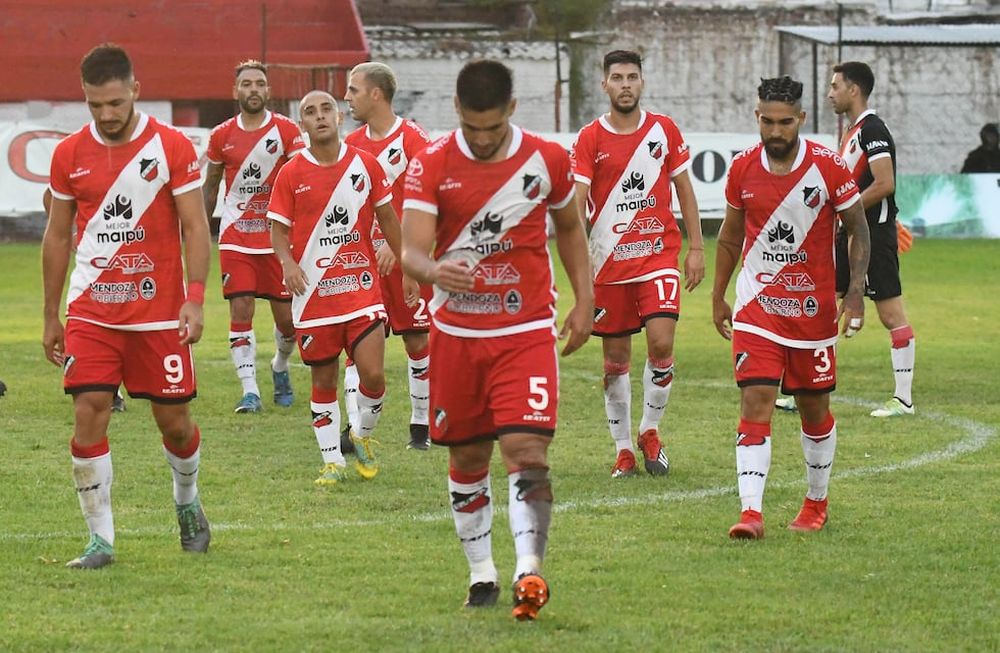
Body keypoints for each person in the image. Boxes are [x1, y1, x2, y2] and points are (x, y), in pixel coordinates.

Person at [401, 60, 593, 619]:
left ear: (512, 109)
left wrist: (584, 300)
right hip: (456, 334)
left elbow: (570, 230)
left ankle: (529, 572)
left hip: (525, 330)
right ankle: (481, 572)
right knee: (467, 455)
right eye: (472, 128)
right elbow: (413, 249)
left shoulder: (549, 160)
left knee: (526, 450)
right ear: (457, 111)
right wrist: (434, 271)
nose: (482, 141)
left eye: (493, 128)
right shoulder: (431, 163)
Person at [42, 43, 212, 568]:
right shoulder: (69, 153)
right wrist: (51, 314)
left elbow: (194, 225)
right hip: (92, 309)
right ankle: (101, 540)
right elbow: (56, 235)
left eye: (115, 102)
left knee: (175, 424)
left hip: (159, 314)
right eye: (95, 105)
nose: (107, 115)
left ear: (136, 90)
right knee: (88, 413)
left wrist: (196, 298)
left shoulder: (172, 147)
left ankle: (188, 505)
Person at [712, 75, 870, 539]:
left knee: (813, 410)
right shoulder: (742, 168)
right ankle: (751, 513)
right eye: (766, 121)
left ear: (800, 119)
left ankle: (816, 502)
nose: (775, 131)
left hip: (813, 313)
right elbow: (729, 234)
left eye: (784, 122)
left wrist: (856, 290)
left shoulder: (828, 166)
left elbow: (859, 229)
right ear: (757, 118)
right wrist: (719, 295)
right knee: (756, 398)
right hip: (757, 307)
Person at [571, 49, 704, 478]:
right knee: (615, 360)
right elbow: (575, 204)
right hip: (607, 262)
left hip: (657, 255)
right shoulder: (589, 137)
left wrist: (696, 247)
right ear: (604, 85)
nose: (625, 84)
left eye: (632, 77)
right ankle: (623, 449)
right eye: (617, 77)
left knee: (662, 343)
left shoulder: (663, 130)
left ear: (642, 83)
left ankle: (650, 430)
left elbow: (684, 189)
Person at [268, 90, 404, 486]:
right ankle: (332, 462)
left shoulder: (367, 165)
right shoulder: (291, 173)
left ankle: (360, 434)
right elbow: (278, 229)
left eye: (327, 108)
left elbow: (390, 221)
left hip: (361, 289)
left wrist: (408, 267)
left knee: (374, 375)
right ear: (303, 124)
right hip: (313, 296)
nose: (320, 116)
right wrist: (288, 263)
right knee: (323, 380)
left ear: (340, 117)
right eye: (310, 112)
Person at [203, 60, 305, 414]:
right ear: (236, 92)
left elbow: (302, 182)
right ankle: (250, 392)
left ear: (268, 90)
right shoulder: (221, 136)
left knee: (288, 323)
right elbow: (211, 185)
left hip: (278, 240)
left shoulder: (288, 131)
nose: (253, 90)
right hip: (236, 237)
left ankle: (279, 366)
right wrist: (200, 231)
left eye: (259, 84)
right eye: (246, 84)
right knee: (241, 307)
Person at [343, 62, 434, 450]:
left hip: (404, 261)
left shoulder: (414, 140)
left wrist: (400, 251)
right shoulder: (352, 147)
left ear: (376, 94)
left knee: (416, 340)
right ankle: (354, 429)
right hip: (364, 266)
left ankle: (420, 425)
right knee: (358, 344)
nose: (347, 98)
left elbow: (429, 204)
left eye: (353, 90)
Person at [829, 61, 915, 418]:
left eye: (835, 86)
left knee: (891, 314)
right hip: (849, 231)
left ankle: (904, 399)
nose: (830, 93)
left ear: (854, 90)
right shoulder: (852, 132)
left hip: (874, 234)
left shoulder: (872, 129)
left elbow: (885, 183)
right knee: (827, 309)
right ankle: (808, 386)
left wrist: (846, 208)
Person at [43, 188, 128, 413]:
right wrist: (69, 231)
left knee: (124, 313)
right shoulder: (81, 157)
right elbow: (50, 195)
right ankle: (109, 390)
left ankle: (116, 387)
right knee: (97, 315)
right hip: (94, 258)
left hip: (131, 252)